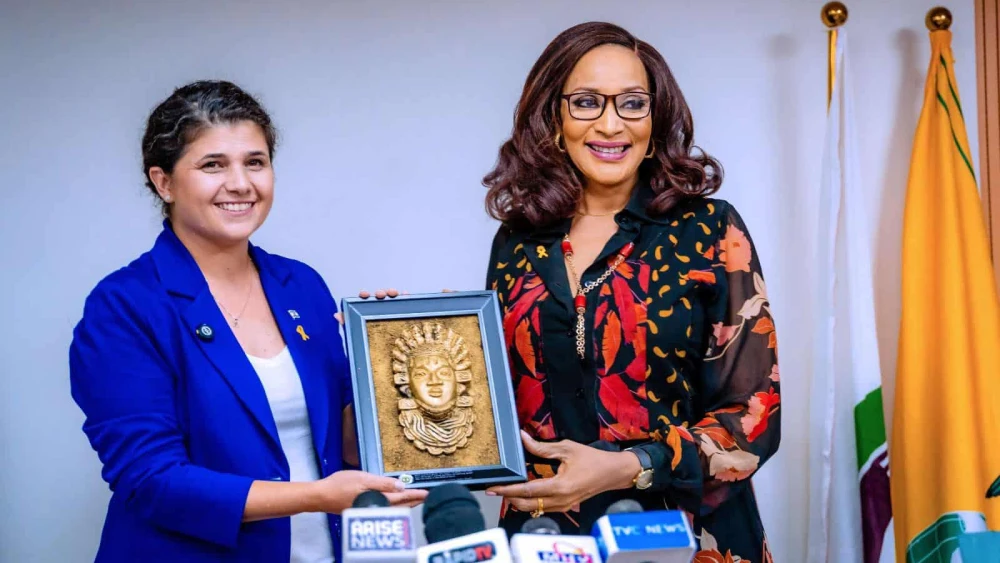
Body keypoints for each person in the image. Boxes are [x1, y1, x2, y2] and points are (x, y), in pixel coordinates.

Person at [68, 80, 426, 563]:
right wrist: (319, 496)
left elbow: (344, 446)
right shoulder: (124, 306)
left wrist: (386, 362)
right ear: (164, 182)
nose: (241, 183)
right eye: (213, 165)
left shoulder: (299, 284)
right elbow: (153, 482)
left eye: (255, 162)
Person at [480, 22, 781, 561]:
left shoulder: (709, 229)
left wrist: (630, 466)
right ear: (554, 118)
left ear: (655, 118)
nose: (611, 124)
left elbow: (755, 413)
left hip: (686, 535)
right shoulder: (518, 240)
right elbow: (493, 396)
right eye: (587, 103)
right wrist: (401, 341)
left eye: (632, 103)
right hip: (545, 535)